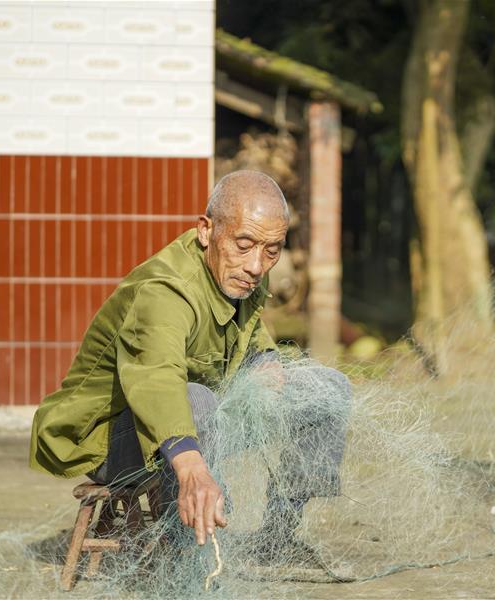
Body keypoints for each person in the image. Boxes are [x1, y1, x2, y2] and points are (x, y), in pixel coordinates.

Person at [30, 170, 351, 559]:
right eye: (244, 243)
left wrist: (266, 361)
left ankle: (281, 530)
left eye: (272, 250)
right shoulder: (165, 291)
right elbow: (157, 379)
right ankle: (192, 551)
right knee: (196, 399)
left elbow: (251, 330)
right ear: (206, 230)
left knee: (327, 389)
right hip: (105, 438)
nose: (256, 265)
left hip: (199, 424)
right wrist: (192, 469)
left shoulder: (244, 273)